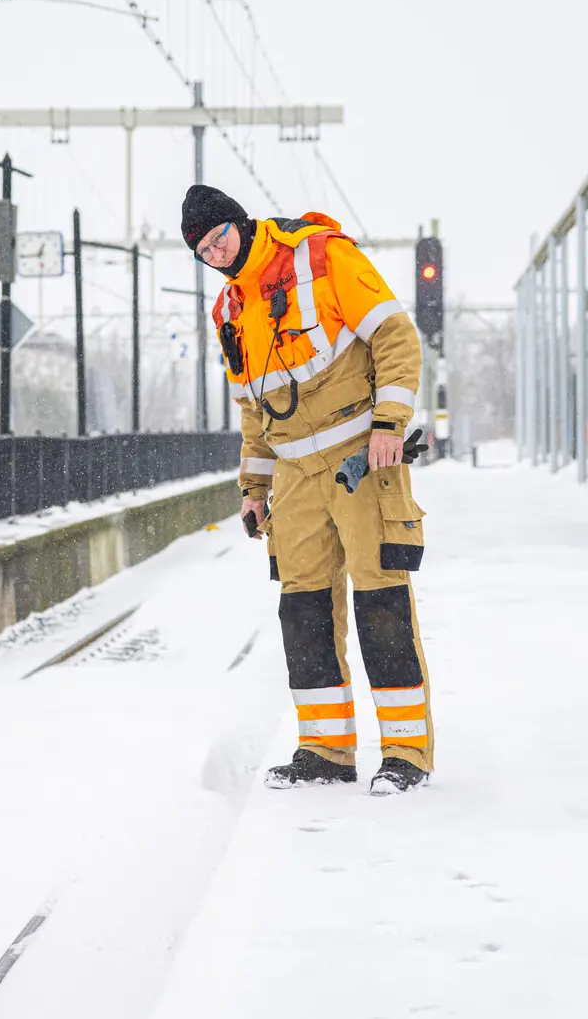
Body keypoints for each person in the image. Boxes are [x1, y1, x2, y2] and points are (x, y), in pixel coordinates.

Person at [183, 184, 433, 795]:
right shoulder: (229, 313)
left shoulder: (319, 255)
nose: (216, 252)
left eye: (220, 237)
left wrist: (388, 426)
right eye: (203, 250)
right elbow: (252, 408)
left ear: (240, 224)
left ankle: (406, 752)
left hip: (359, 458)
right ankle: (325, 750)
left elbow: (397, 337)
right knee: (304, 609)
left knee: (382, 601)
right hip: (294, 475)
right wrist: (252, 488)